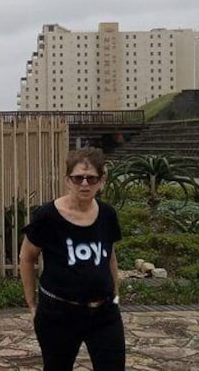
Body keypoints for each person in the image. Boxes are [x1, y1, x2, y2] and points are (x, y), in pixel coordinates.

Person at [19, 147, 125, 370]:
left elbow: (110, 256)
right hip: (59, 313)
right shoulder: (48, 216)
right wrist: (31, 304)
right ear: (68, 180)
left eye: (91, 178)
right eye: (78, 178)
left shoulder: (107, 214)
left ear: (101, 181)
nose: (84, 184)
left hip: (104, 313)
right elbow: (27, 258)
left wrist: (115, 296)